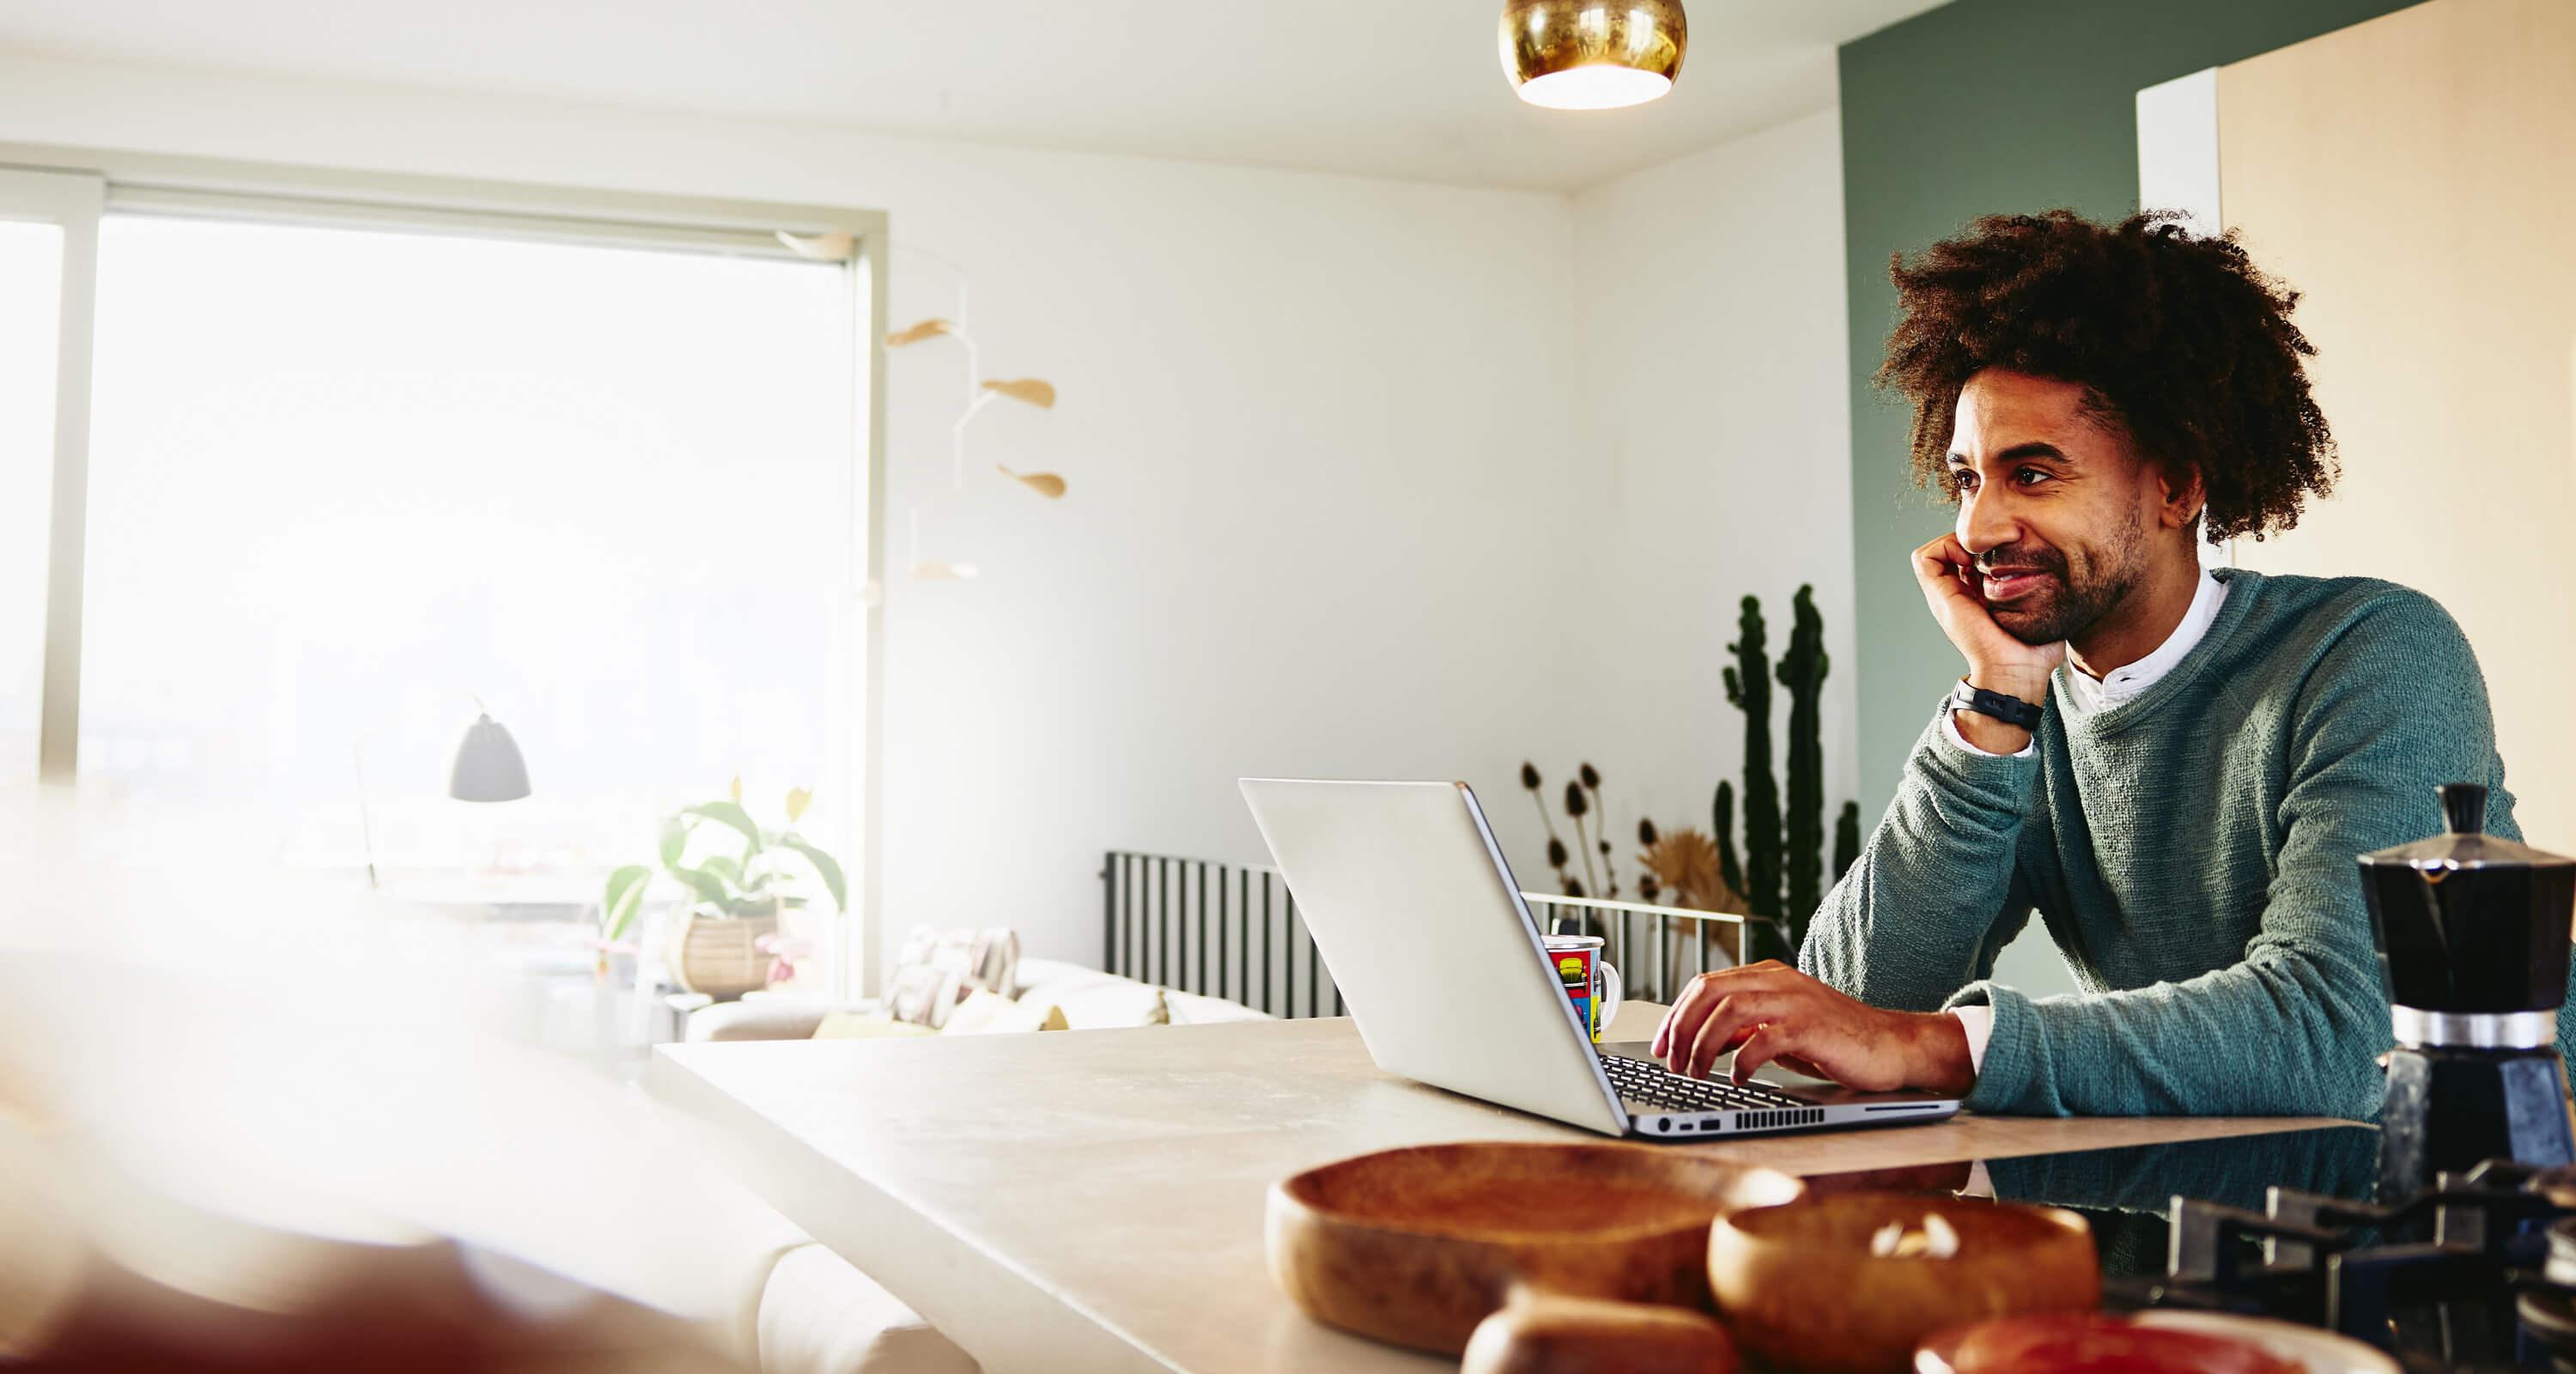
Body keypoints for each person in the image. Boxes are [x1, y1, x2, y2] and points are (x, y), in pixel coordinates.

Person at [1653, 209, 2559, 1117]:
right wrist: (1993, 705)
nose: (1977, 528)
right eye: (1968, 477)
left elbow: (2341, 1034)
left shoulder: (2372, 652)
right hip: (2154, 1228)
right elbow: (1851, 1008)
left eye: (2033, 474)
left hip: (2445, 1234)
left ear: (2176, 485)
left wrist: (1936, 1044)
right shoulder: (2021, 712)